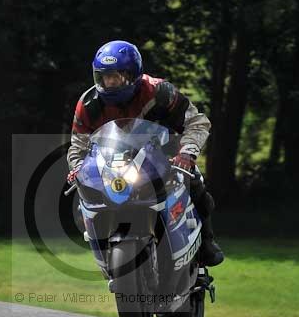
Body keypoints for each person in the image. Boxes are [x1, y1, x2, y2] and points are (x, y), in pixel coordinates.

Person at [66, 40, 224, 266]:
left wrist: (187, 153)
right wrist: (77, 167)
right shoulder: (88, 104)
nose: (109, 83)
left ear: (133, 74)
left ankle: (207, 242)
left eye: (116, 76)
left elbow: (197, 123)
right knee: (84, 197)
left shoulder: (160, 93)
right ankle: (103, 251)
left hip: (164, 157)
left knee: (195, 181)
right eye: (104, 76)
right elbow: (78, 145)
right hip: (114, 166)